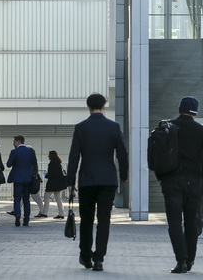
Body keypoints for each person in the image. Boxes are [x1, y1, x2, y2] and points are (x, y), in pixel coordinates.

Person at [161, 97, 203, 274]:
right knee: (191, 221)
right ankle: (190, 259)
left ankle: (181, 260)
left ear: (180, 108)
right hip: (193, 183)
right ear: (195, 112)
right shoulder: (201, 131)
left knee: (174, 223)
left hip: (171, 181)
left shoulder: (168, 127)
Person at [68, 93, 129, 272]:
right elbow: (122, 153)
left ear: (88, 107)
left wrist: (70, 182)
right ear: (104, 106)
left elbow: (73, 157)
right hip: (108, 180)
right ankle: (99, 258)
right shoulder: (114, 127)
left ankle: (86, 256)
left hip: (87, 180)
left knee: (86, 220)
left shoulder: (81, 128)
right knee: (104, 220)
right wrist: (123, 175)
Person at [6, 135, 38, 227]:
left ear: (18, 142)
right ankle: (26, 220)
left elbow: (8, 164)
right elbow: (34, 163)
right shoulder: (31, 151)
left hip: (18, 178)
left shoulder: (14, 152)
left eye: (14, 142)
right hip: (28, 179)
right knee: (26, 199)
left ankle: (18, 214)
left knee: (17, 198)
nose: (13, 143)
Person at [42, 150, 67, 219]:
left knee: (46, 196)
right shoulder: (58, 163)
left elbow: (51, 174)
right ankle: (61, 213)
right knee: (58, 199)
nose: (48, 156)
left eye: (49, 155)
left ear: (51, 156)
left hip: (52, 184)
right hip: (58, 184)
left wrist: (45, 175)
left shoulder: (52, 164)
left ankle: (44, 212)